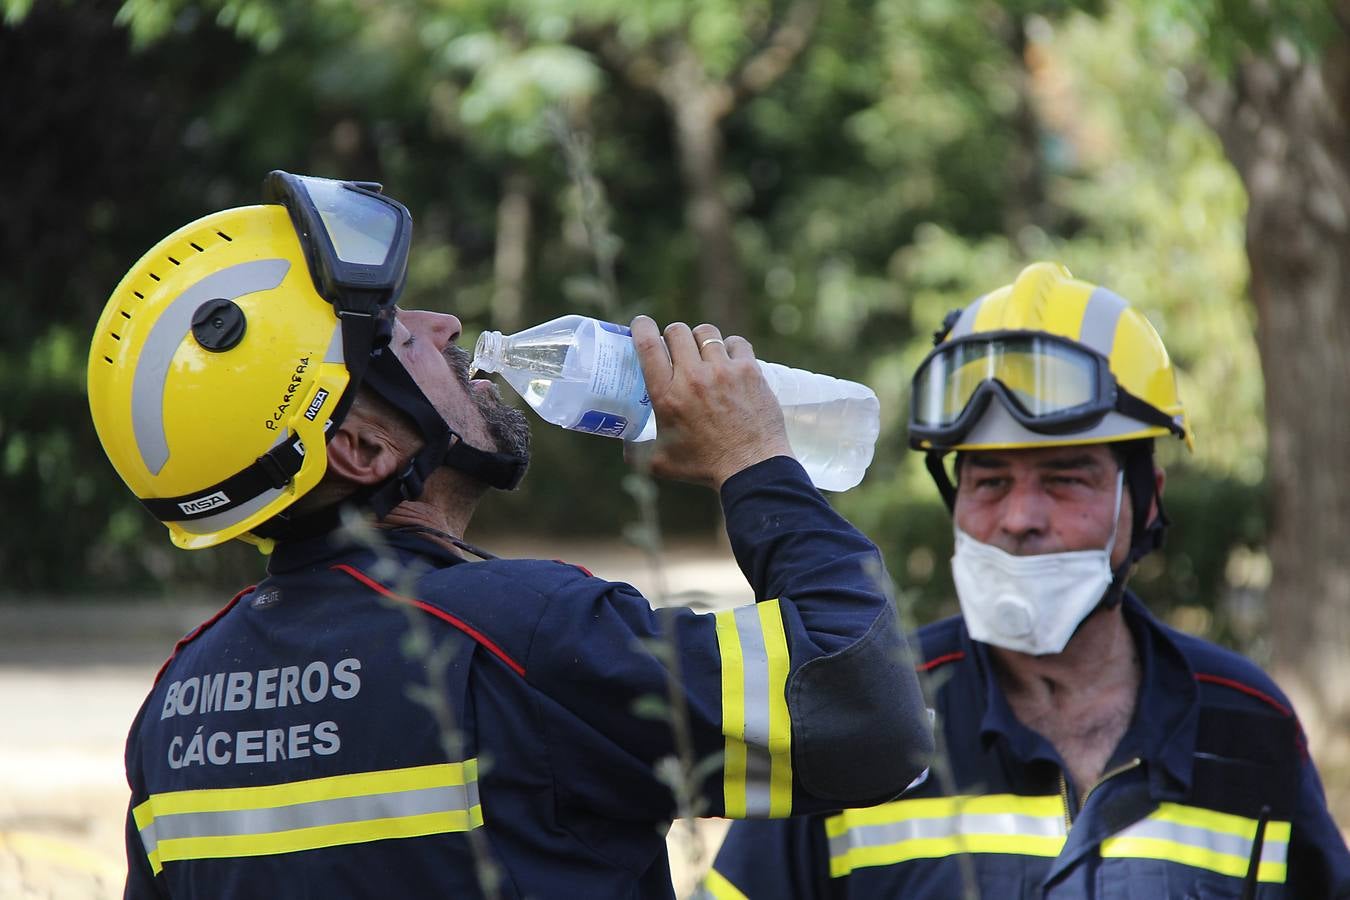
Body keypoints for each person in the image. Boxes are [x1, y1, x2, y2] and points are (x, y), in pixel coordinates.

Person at [86, 171, 933, 899]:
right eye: (393, 332)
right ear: (364, 447)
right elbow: (866, 719)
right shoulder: (521, 636)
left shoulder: (179, 706)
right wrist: (755, 461)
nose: (444, 323)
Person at [706, 262, 1350, 899]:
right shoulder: (859, 712)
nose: (1019, 519)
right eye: (989, 482)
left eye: (1066, 478)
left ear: (1145, 501)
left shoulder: (1248, 725)